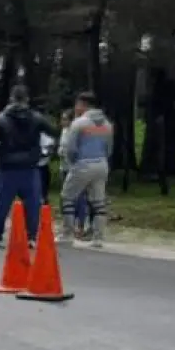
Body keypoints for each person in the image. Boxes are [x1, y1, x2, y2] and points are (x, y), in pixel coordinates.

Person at [0, 85, 53, 247]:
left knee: (1, 202)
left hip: (7, 167)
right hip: (30, 167)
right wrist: (41, 151)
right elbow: (53, 131)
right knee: (32, 203)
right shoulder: (37, 118)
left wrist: (1, 152)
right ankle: (31, 236)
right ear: (27, 99)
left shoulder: (2, 119)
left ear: (11, 99)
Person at [60, 92, 112, 246]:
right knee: (98, 201)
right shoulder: (107, 124)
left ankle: (67, 233)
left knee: (67, 197)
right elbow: (109, 148)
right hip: (102, 164)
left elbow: (71, 148)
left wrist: (72, 163)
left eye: (77, 104)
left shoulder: (79, 123)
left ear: (83, 105)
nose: (76, 108)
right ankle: (98, 237)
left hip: (83, 163)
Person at [57, 110, 88, 238]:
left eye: (65, 119)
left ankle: (80, 224)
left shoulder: (76, 133)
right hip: (64, 167)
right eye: (62, 119)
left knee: (79, 197)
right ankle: (67, 224)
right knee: (65, 197)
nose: (62, 122)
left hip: (75, 169)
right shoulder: (64, 131)